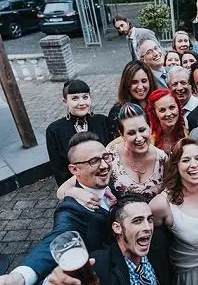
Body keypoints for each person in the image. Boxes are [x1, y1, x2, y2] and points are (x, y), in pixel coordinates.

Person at [58, 105, 172, 284]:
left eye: (142, 130)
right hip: (122, 234)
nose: (139, 137)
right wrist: (73, 192)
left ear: (150, 128)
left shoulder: (163, 159)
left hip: (153, 231)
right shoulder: (109, 157)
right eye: (131, 132)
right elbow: (64, 188)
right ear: (122, 134)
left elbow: (173, 189)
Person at [0, 132, 115, 284]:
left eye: (105, 157)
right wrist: (20, 276)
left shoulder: (108, 180)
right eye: (94, 161)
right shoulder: (71, 209)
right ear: (74, 170)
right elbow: (59, 234)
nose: (104, 165)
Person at [150, 138, 198, 285]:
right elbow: (155, 243)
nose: (194, 165)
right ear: (175, 165)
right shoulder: (162, 204)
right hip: (191, 274)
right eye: (186, 160)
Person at [46, 194, 162, 285]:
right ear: (117, 228)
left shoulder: (159, 247)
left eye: (150, 219)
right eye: (137, 221)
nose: (147, 227)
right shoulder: (98, 266)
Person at [46, 80, 111, 186]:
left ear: (90, 98)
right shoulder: (54, 130)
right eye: (75, 98)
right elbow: (58, 169)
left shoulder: (102, 121)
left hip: (106, 181)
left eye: (85, 97)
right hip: (76, 186)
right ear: (65, 101)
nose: (81, 103)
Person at [108, 60, 157, 139]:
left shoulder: (158, 104)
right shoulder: (117, 112)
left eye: (144, 81)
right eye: (134, 82)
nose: (140, 87)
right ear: (126, 84)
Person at [146, 89, 186, 154]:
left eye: (172, 107)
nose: (168, 114)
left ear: (178, 107)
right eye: (162, 110)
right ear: (154, 113)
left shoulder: (188, 133)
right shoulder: (148, 139)